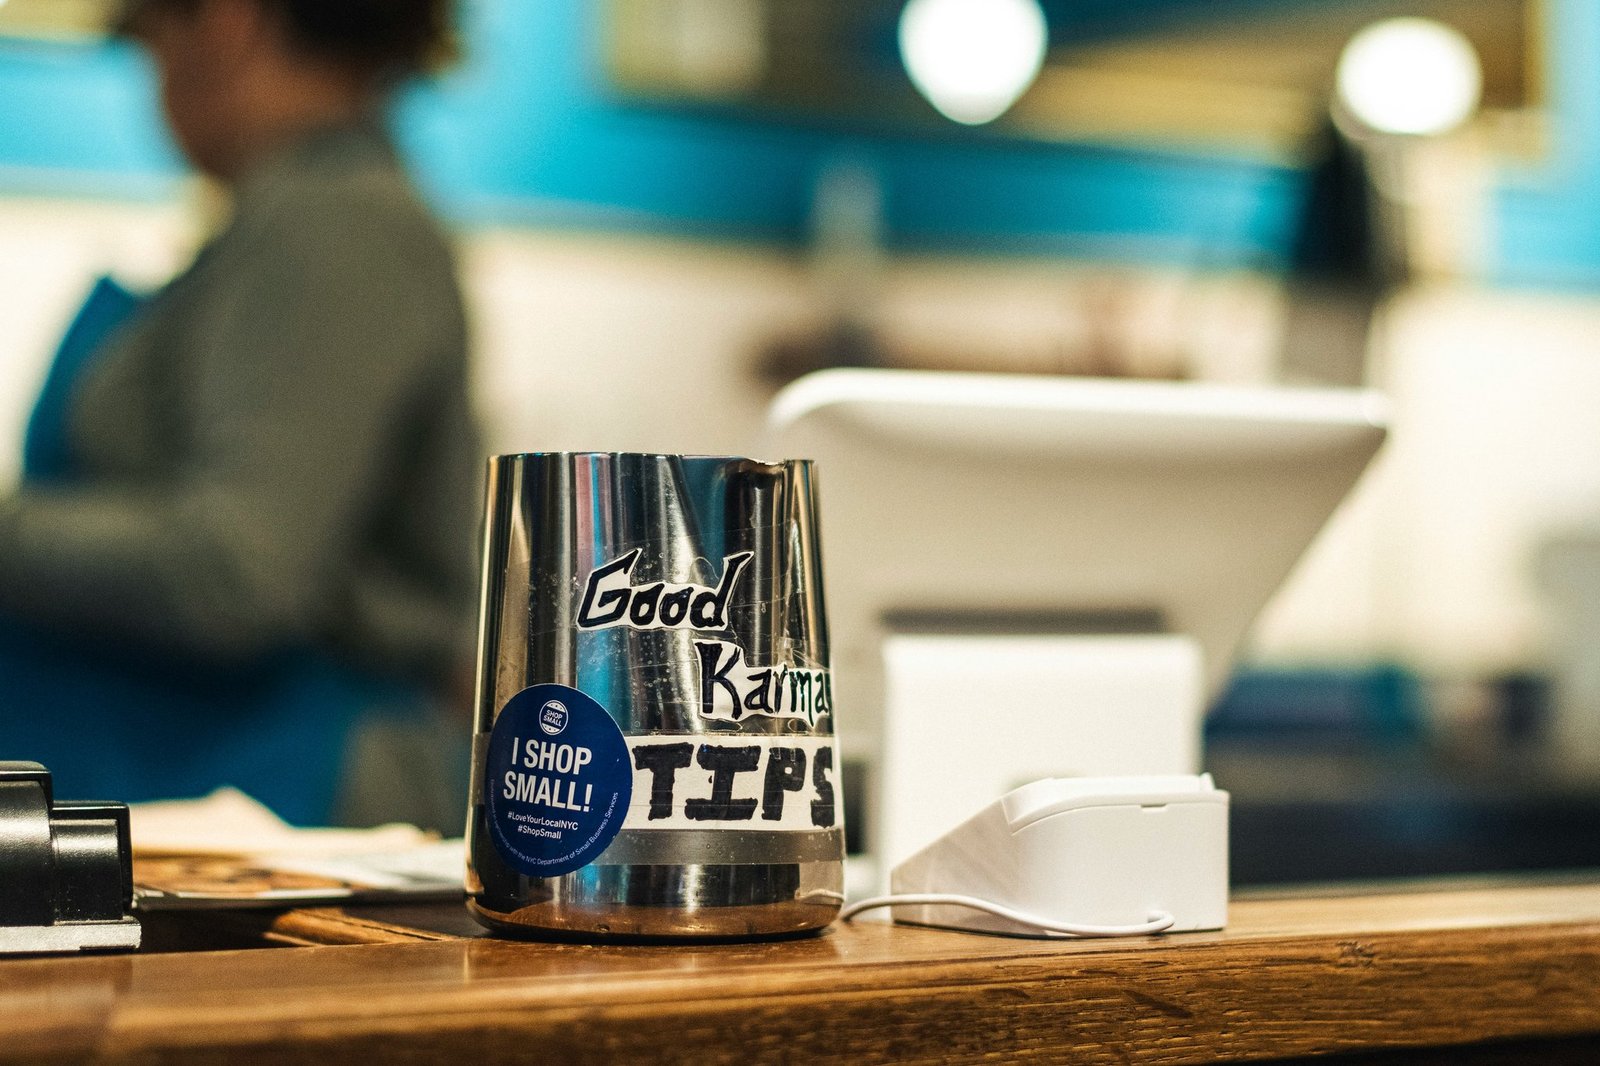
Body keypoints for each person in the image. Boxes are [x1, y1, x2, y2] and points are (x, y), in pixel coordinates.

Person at [0, 0, 481, 827]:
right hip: (199, 764)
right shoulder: (291, 219)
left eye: (153, 44)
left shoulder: (338, 223)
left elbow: (236, 573)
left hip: (276, 780)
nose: (151, 87)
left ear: (228, 23)